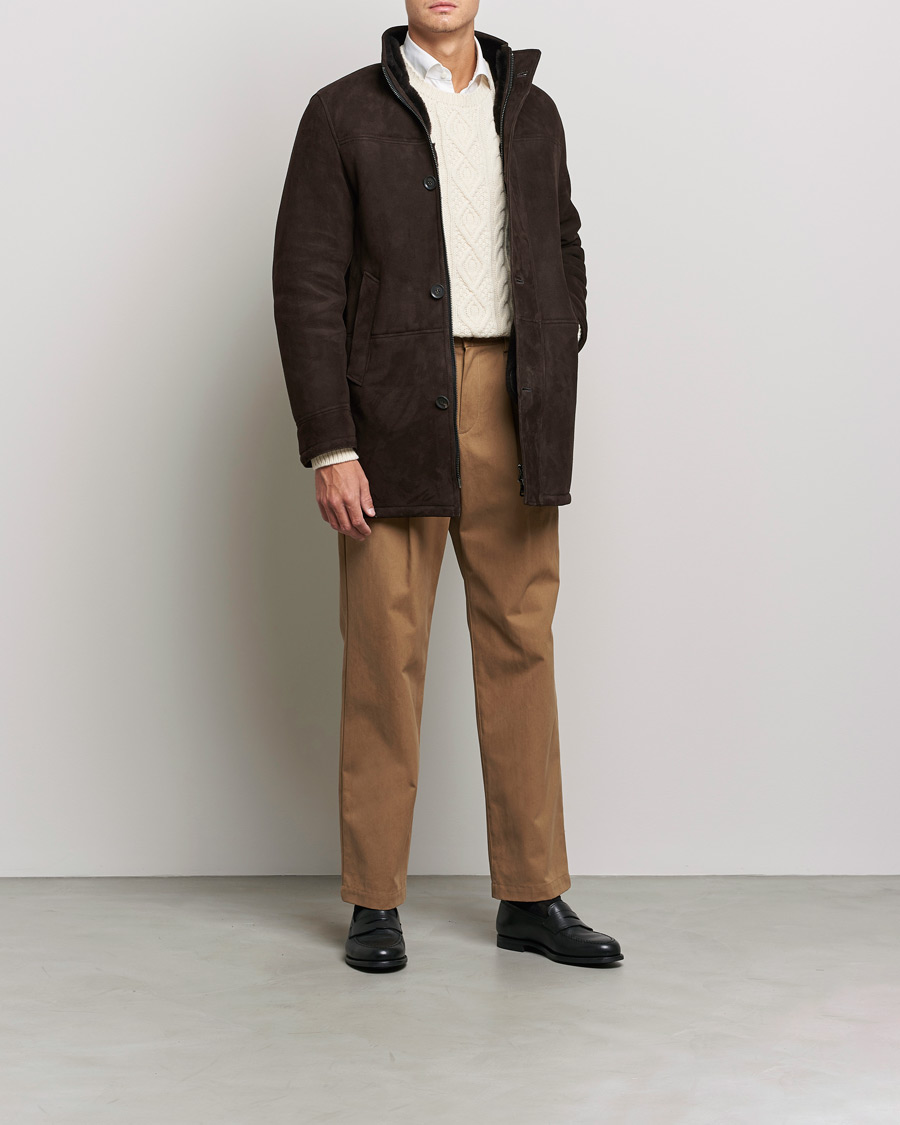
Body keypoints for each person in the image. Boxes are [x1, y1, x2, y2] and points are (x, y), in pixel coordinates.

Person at [272, 0, 623, 972]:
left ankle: (533, 894)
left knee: (523, 645)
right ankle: (374, 900)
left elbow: (563, 239)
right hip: (391, 408)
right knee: (385, 655)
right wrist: (330, 445)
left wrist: (558, 341)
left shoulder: (533, 110)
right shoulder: (341, 113)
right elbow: (305, 282)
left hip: (517, 402)